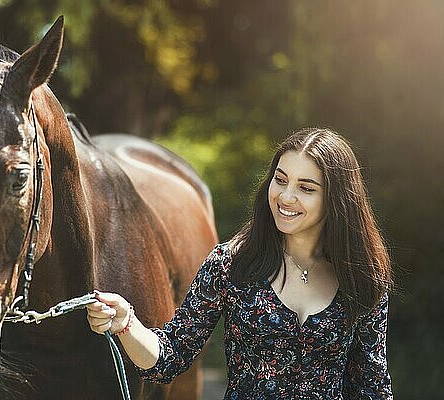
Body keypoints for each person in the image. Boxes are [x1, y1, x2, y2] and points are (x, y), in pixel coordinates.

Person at [86, 128, 393, 399]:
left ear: (336, 199)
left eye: (306, 188)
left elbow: (372, 386)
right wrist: (126, 323)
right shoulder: (231, 265)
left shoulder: (363, 279)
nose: (286, 197)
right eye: (281, 180)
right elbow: (168, 359)